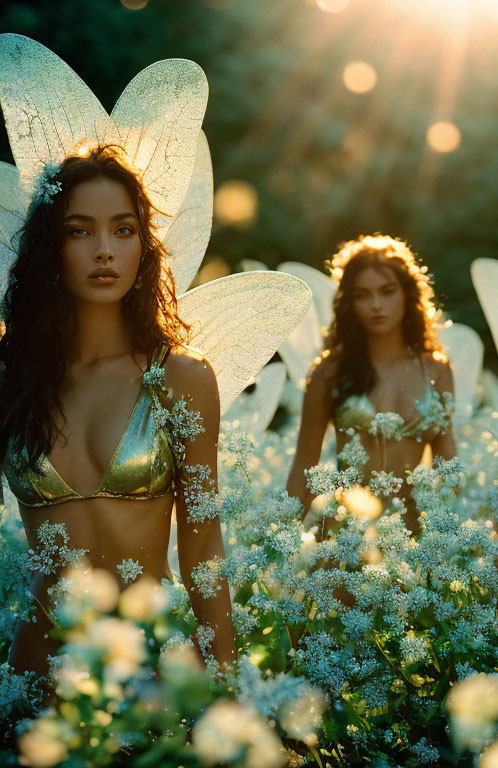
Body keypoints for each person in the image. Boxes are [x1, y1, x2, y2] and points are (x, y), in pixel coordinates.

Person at [1, 147, 236, 684]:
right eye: (80, 231)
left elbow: (204, 542)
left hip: (154, 669)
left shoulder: (181, 377)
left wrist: (227, 682)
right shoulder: (10, 380)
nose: (104, 250)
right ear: (50, 247)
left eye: (124, 231)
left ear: (143, 247)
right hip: (41, 671)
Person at [286, 234, 455, 536]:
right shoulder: (330, 371)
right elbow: (304, 465)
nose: (376, 305)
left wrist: (455, 540)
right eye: (363, 295)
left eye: (387, 291)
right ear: (349, 303)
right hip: (347, 531)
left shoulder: (435, 368)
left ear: (407, 294)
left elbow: (447, 465)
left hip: (414, 531)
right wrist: (280, 541)